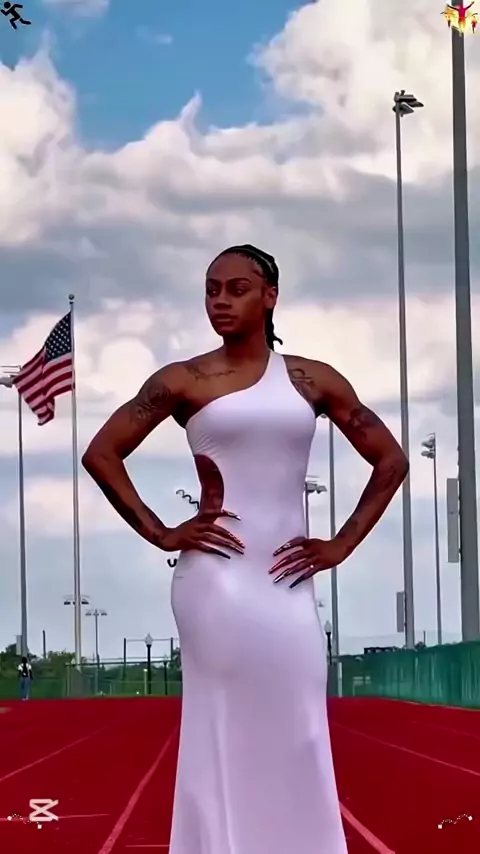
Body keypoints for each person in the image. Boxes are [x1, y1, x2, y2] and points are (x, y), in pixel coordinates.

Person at [82, 244, 409, 854]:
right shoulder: (183, 380)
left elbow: (390, 461)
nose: (221, 301)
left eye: (237, 288)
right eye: (212, 290)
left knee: (300, 725)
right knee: (221, 724)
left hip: (289, 580)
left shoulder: (313, 379)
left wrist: (341, 544)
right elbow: (101, 453)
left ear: (270, 296)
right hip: (216, 583)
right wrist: (162, 532)